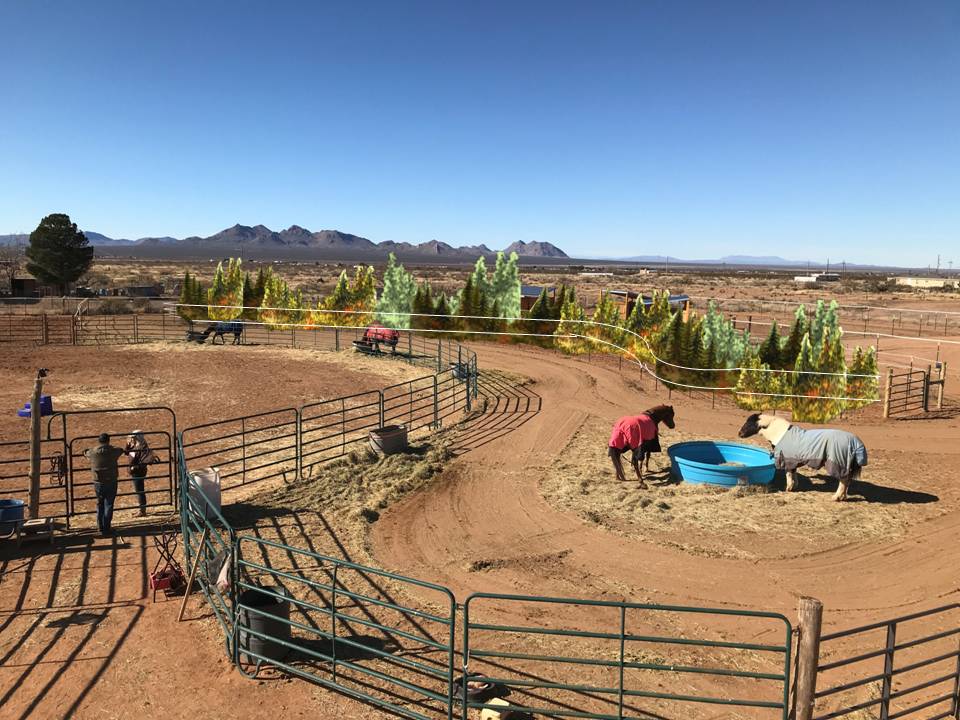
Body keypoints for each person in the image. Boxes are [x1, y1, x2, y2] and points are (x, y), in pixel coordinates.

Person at [607, 406, 676, 487]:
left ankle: (618, 474)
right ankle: (640, 479)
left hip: (623, 422)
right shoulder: (650, 422)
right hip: (634, 426)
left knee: (616, 449)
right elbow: (640, 446)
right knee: (636, 449)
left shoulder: (624, 419)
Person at [84, 433, 125, 536]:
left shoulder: (93, 452)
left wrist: (86, 451)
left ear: (99, 441)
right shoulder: (113, 451)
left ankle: (100, 526)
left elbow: (85, 452)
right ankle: (107, 527)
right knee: (109, 504)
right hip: (111, 480)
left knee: (100, 503)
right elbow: (121, 450)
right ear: (108, 441)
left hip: (98, 481)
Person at [125, 430, 159, 516]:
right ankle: (142, 509)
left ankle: (142, 511)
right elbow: (126, 453)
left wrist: (134, 467)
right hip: (135, 472)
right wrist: (128, 444)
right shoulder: (135, 445)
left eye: (133, 437)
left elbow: (144, 462)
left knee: (140, 491)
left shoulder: (142, 448)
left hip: (138, 472)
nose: (131, 439)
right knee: (139, 490)